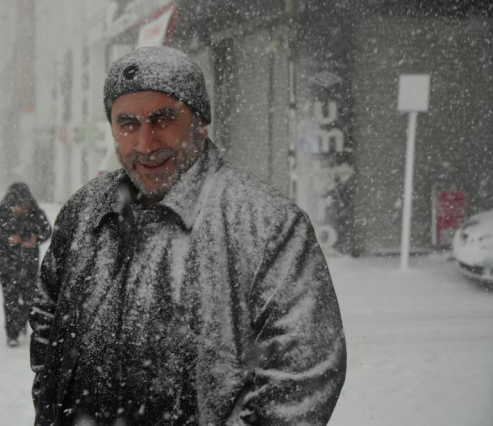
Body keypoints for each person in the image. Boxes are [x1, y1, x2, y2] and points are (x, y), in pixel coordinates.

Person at [30, 47, 346, 426]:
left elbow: (300, 380)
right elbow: (48, 327)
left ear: (200, 121)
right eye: (128, 123)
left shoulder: (268, 224)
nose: (146, 143)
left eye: (163, 119)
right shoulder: (85, 212)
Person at [0, 183, 51, 347]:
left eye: (22, 206)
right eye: (15, 206)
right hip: (6, 265)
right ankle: (11, 334)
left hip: (29, 265)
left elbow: (47, 230)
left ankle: (20, 323)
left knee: (29, 300)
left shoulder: (36, 213)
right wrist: (7, 239)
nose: (19, 209)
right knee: (10, 300)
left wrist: (36, 239)